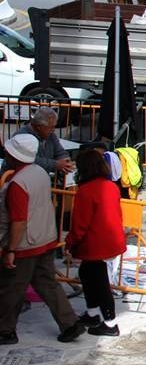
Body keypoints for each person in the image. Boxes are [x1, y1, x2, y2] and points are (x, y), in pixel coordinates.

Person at [0, 134, 85, 344]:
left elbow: (19, 221)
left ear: (14, 156)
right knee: (47, 283)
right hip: (45, 238)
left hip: (26, 243)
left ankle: (5, 330)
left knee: (11, 288)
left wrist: (10, 250)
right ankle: (70, 323)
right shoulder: (39, 172)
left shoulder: (17, 183)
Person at [64, 150, 126, 336]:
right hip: (110, 239)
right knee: (87, 273)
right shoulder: (111, 186)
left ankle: (110, 323)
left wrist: (70, 242)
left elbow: (80, 224)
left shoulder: (85, 191)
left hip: (96, 241)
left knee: (99, 281)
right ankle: (92, 313)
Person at [13, 107, 75, 175]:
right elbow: (30, 160)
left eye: (54, 127)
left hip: (41, 176)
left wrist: (66, 162)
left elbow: (60, 152)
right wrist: (55, 164)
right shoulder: (22, 137)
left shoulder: (50, 135)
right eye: (51, 127)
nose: (53, 130)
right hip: (22, 176)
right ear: (39, 127)